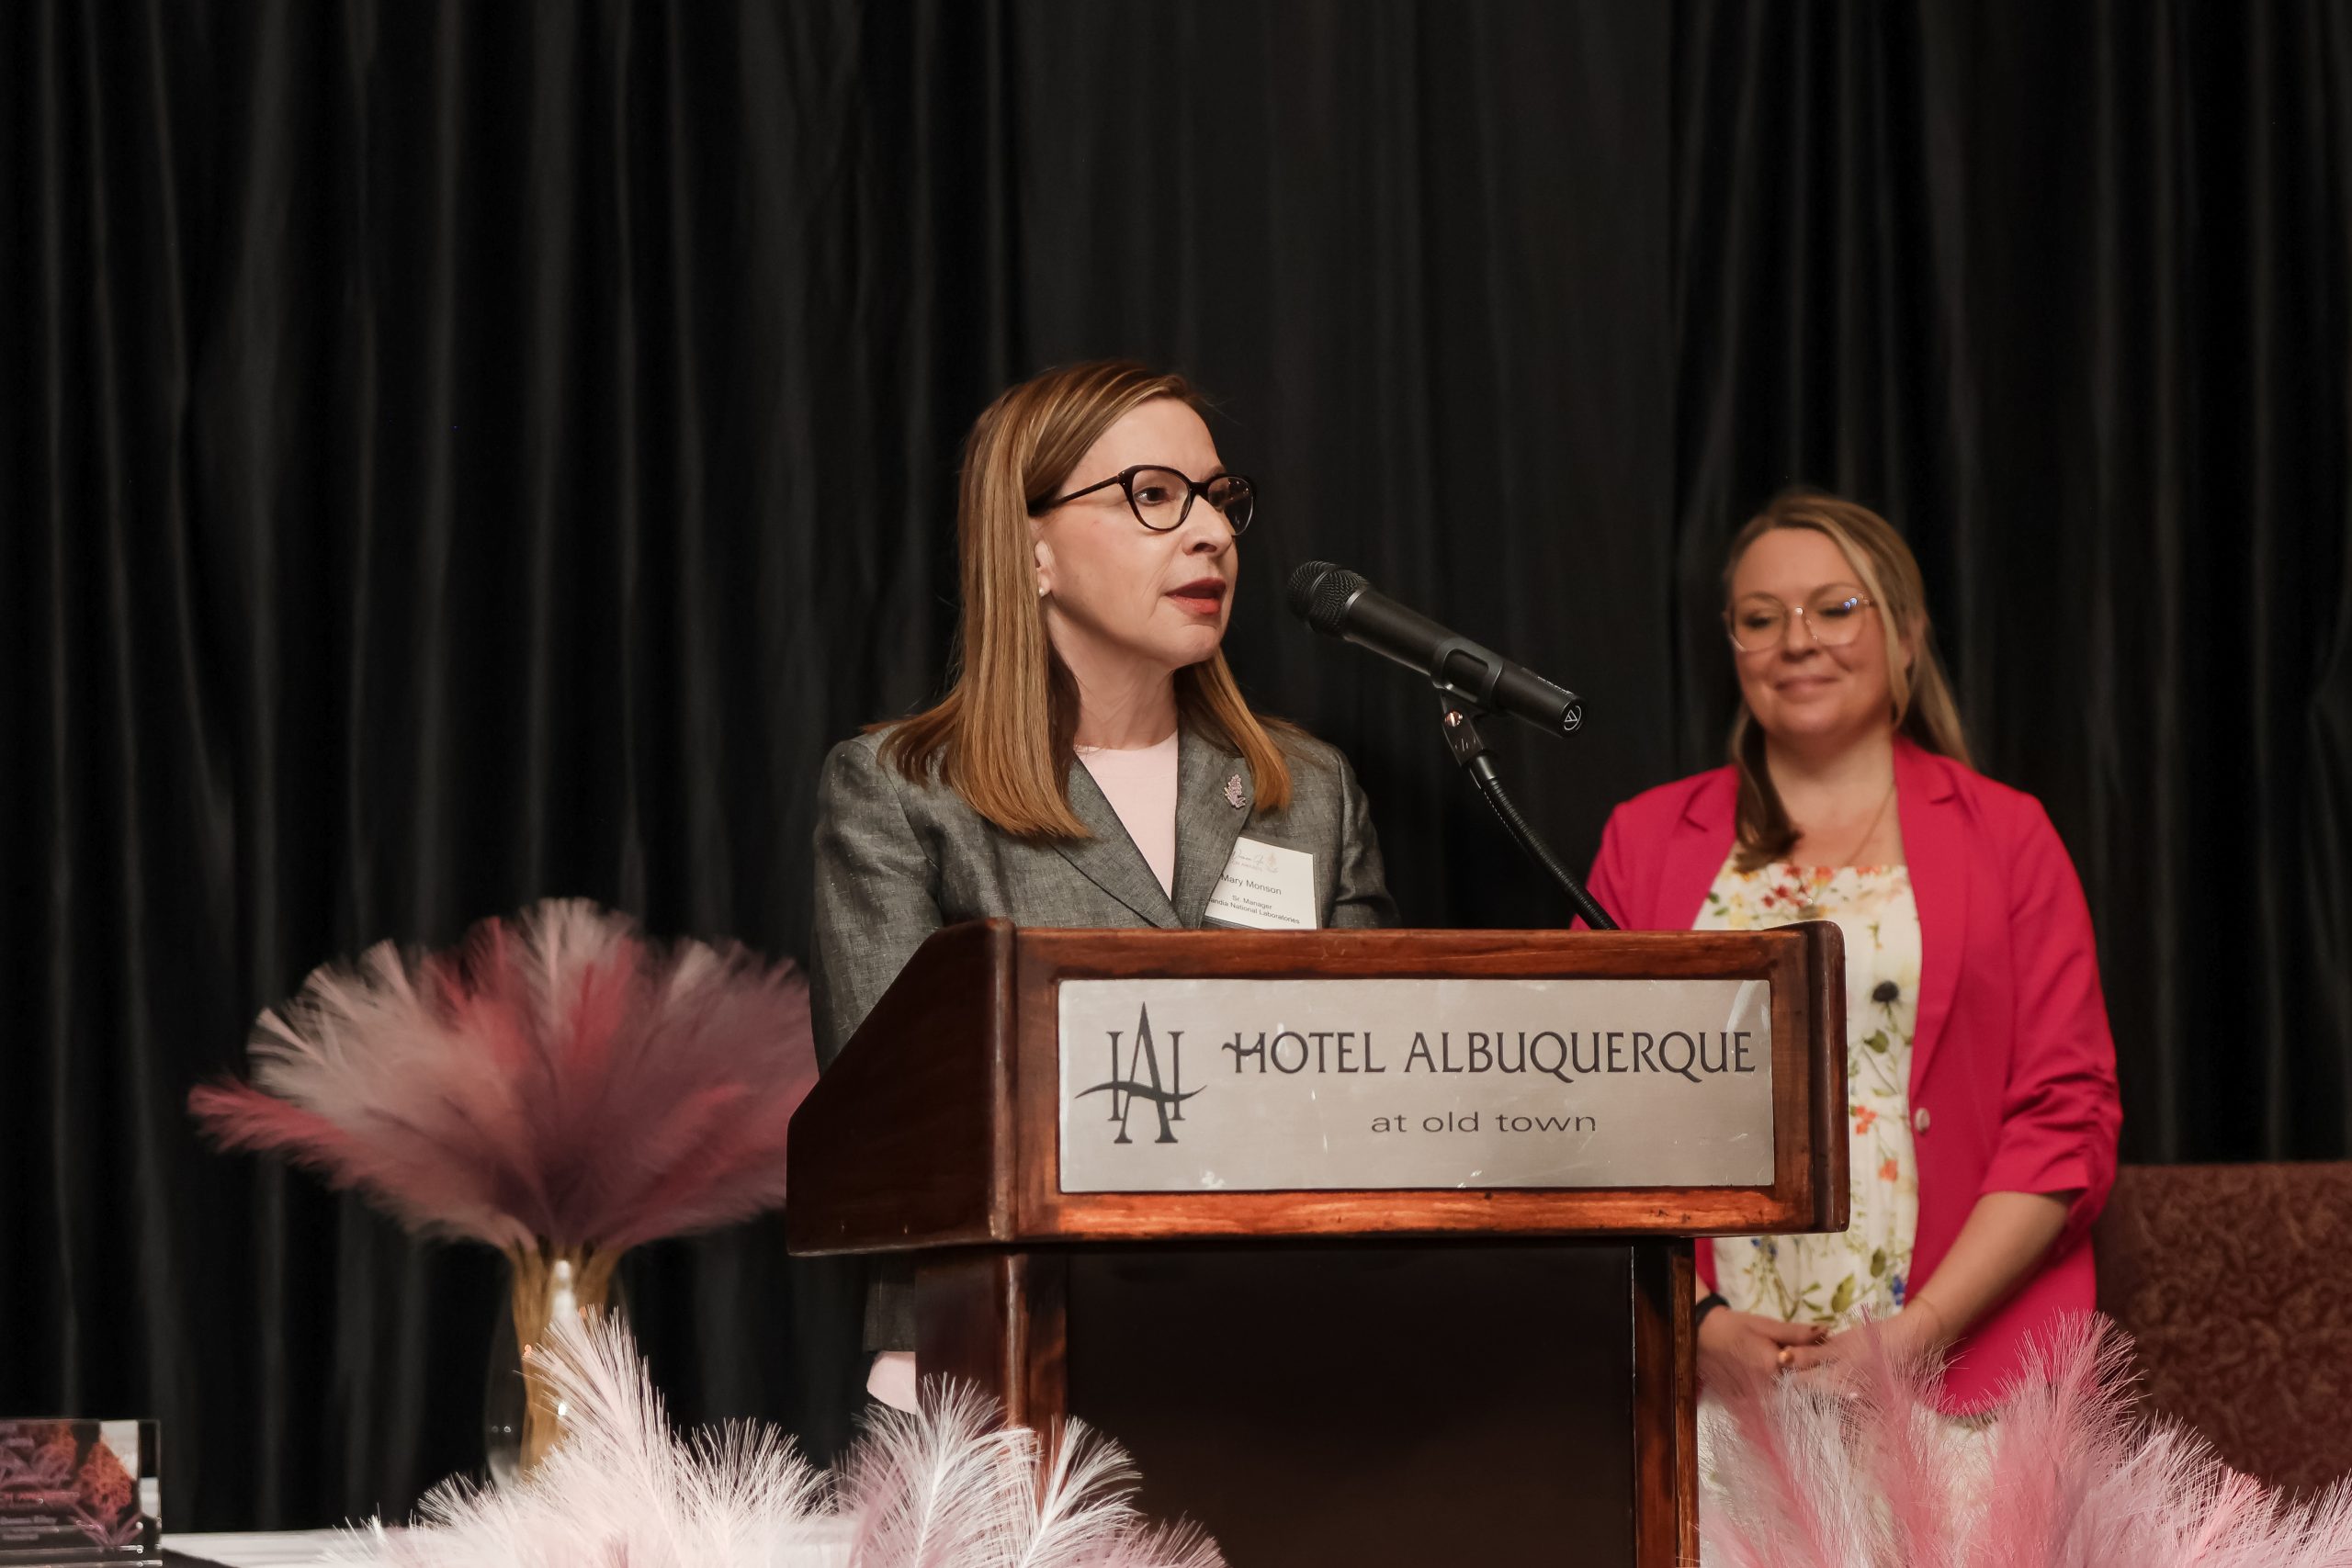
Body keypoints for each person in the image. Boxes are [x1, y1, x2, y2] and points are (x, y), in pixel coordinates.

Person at [809, 359, 1396, 1404]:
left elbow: (1368, 1095)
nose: (1211, 532)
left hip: (1278, 1367)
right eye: (1154, 496)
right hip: (994, 1367)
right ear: (1030, 549)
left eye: (1219, 499)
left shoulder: (1309, 792)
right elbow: (894, 1127)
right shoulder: (905, 795)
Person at [1584, 488, 2120, 1413]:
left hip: (1962, 1369)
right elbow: (1581, 1106)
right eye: (1761, 618)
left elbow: (2064, 1119)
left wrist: (1917, 1336)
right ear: (1733, 645)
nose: (1797, 640)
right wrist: (1701, 1325)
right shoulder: (1643, 841)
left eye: (1835, 608)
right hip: (1710, 1382)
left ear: (1907, 636)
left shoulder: (2009, 837)